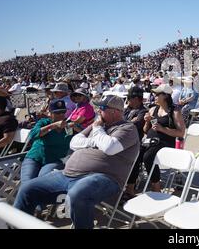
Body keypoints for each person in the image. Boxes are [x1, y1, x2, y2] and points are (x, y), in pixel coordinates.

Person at [14, 95, 140, 229]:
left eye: (102, 108)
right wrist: (95, 142)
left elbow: (109, 148)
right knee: (27, 189)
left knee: (77, 194)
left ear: (115, 111)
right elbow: (74, 142)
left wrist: (97, 129)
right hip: (67, 174)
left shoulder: (127, 128)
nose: (98, 111)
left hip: (103, 178)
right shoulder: (98, 126)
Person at [143, 84, 186, 192]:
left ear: (166, 96)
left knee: (148, 157)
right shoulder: (153, 109)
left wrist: (163, 129)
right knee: (135, 153)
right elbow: (145, 130)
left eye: (157, 94)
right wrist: (147, 121)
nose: (155, 96)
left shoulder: (174, 111)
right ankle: (130, 187)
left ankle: (156, 187)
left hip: (165, 142)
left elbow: (181, 133)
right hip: (150, 141)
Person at [19, 100, 72, 184]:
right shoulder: (44, 122)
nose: (61, 115)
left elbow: (84, 135)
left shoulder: (69, 124)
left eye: (63, 112)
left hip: (54, 160)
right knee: (26, 183)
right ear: (50, 113)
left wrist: (76, 127)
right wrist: (53, 126)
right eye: (57, 113)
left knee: (41, 182)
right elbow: (33, 135)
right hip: (34, 157)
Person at [123, 86, 148, 197]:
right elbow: (121, 121)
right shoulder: (127, 109)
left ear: (137, 99)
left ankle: (130, 189)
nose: (128, 101)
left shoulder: (143, 111)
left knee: (134, 160)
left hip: (135, 142)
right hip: (122, 139)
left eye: (130, 98)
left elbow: (135, 124)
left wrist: (125, 122)